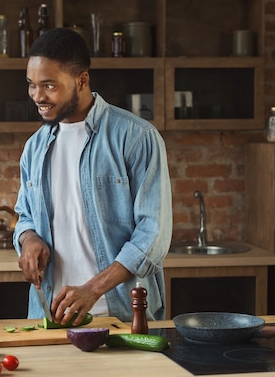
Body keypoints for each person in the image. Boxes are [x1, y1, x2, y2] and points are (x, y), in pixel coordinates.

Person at [13, 28, 172, 326]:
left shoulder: (137, 138)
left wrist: (92, 290)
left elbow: (153, 236)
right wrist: (29, 238)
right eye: (32, 85)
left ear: (82, 80)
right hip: (49, 318)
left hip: (120, 317)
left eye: (48, 85)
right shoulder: (34, 147)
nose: (38, 96)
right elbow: (24, 215)